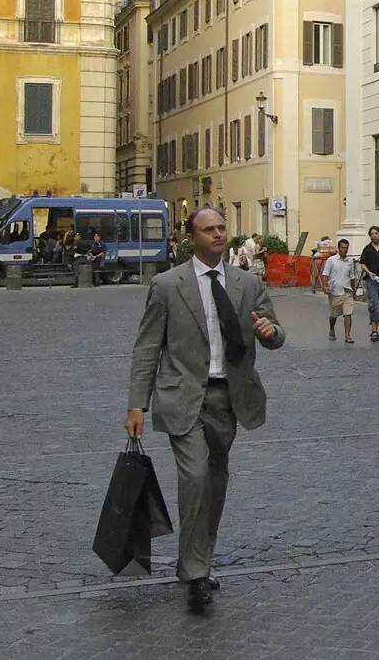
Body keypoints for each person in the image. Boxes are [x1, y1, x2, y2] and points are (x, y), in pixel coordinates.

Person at [126, 205, 285, 611]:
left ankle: (198, 558)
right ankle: (197, 574)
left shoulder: (247, 283)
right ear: (191, 238)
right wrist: (136, 405)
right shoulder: (167, 285)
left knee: (214, 483)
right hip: (182, 397)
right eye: (208, 229)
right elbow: (147, 347)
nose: (217, 234)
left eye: (221, 227)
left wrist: (270, 332)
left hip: (228, 398)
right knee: (194, 477)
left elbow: (273, 331)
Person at [319, 238, 359, 343]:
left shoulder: (350, 262)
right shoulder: (331, 260)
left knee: (348, 313)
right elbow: (325, 274)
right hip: (335, 291)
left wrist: (353, 290)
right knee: (334, 315)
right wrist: (325, 286)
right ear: (338, 248)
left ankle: (347, 336)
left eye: (346, 248)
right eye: (343, 248)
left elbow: (352, 277)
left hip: (347, 291)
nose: (344, 250)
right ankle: (332, 329)